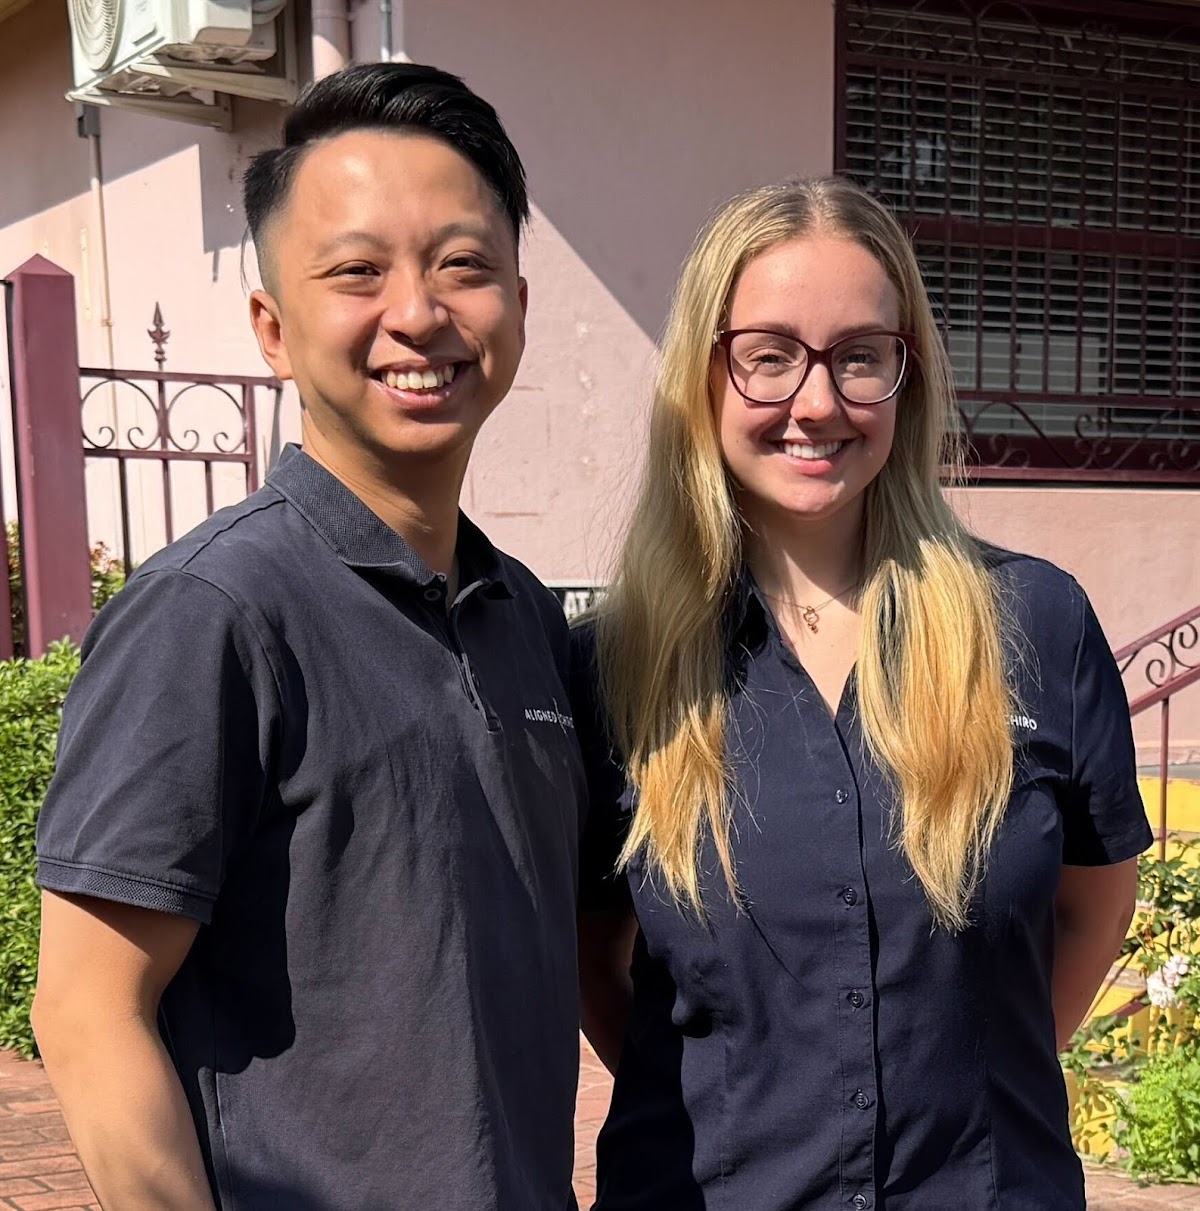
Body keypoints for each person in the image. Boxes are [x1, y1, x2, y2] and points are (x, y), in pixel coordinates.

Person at [33, 62, 585, 1211]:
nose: (418, 312)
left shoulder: (523, 614)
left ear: (520, 306)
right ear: (274, 330)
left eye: (463, 264)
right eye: (358, 271)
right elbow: (88, 1008)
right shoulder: (213, 612)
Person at [573, 176, 1151, 1210]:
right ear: (703, 376)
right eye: (769, 355)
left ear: (906, 373)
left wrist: (974, 1083)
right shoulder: (617, 666)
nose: (816, 402)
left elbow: (1093, 908)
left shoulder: (1037, 624)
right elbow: (594, 962)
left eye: (859, 356)